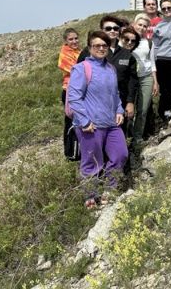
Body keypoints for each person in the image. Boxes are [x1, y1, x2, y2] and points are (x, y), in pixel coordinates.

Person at [68, 30, 127, 209]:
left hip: (111, 123)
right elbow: (74, 97)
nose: (101, 48)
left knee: (120, 155)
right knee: (92, 162)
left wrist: (119, 110)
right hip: (91, 125)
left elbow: (115, 94)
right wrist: (85, 121)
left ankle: (109, 190)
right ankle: (90, 198)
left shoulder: (110, 69)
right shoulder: (81, 68)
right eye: (97, 45)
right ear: (89, 47)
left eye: (104, 45)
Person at [77, 15, 138, 142]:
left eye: (115, 28)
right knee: (96, 140)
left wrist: (130, 102)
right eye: (108, 28)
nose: (112, 31)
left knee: (118, 139)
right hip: (94, 105)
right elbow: (78, 78)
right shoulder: (89, 51)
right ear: (102, 30)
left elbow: (132, 80)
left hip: (119, 104)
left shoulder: (127, 54)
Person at [131, 13, 159, 140]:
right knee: (128, 109)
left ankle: (137, 138)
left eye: (145, 26)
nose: (142, 28)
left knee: (142, 110)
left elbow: (152, 62)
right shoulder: (127, 40)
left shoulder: (148, 42)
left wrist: (155, 82)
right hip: (131, 78)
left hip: (146, 77)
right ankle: (126, 136)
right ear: (134, 25)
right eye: (140, 25)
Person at [58, 28, 81, 159]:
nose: (74, 41)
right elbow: (76, 70)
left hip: (81, 90)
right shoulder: (64, 53)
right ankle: (70, 152)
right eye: (71, 39)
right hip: (69, 91)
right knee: (70, 121)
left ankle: (79, 150)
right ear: (66, 41)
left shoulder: (79, 51)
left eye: (76, 38)